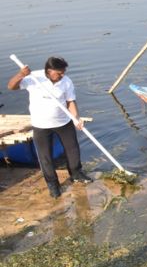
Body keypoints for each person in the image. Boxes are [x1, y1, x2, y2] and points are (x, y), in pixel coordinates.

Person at [7, 57, 92, 198]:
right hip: (41, 125)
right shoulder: (33, 78)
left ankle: (76, 173)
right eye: (59, 73)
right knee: (45, 156)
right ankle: (53, 185)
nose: (62, 75)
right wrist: (21, 74)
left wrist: (76, 118)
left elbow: (71, 101)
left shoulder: (66, 81)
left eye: (63, 72)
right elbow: (11, 86)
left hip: (63, 122)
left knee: (73, 150)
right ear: (49, 71)